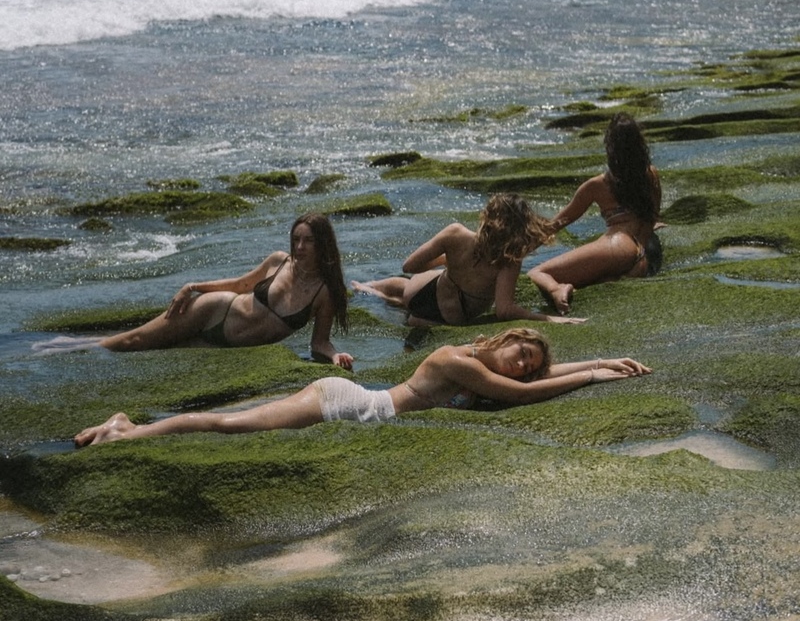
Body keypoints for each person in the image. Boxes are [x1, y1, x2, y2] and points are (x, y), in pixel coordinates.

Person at [74, 327, 651, 445]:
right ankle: (129, 431)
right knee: (231, 425)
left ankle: (128, 425)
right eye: (521, 353)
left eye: (528, 364)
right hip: (348, 405)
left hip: (357, 404)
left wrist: (604, 359)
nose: (523, 367)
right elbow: (523, 394)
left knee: (239, 423)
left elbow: (538, 379)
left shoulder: (489, 367)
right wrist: (593, 377)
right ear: (505, 339)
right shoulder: (457, 360)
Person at [97, 213, 354, 369]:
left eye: (308, 241)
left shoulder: (325, 293)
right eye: (296, 239)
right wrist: (192, 287)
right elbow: (239, 285)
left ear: (322, 243)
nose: (299, 247)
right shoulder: (279, 261)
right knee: (133, 341)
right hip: (215, 311)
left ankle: (81, 345)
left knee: (159, 350)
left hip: (224, 345)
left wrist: (334, 356)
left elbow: (319, 342)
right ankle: (77, 350)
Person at [352, 193, 584, 327]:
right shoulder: (509, 260)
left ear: (486, 216)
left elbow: (410, 266)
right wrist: (547, 318)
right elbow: (505, 310)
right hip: (451, 317)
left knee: (403, 286)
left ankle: (367, 288)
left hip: (420, 292)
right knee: (409, 300)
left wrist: (447, 260)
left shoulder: (456, 233)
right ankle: (388, 300)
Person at [528, 113, 662, 315]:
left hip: (618, 245)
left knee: (537, 272)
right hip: (643, 251)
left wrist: (520, 251)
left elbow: (556, 224)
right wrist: (641, 260)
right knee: (603, 281)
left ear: (610, 147)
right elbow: (652, 218)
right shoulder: (651, 174)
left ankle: (557, 289)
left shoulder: (597, 185)